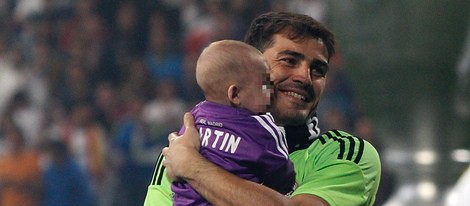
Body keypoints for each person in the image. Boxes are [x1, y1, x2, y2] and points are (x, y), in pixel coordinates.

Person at [145, 11, 381, 206]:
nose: (305, 77)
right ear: (251, 64)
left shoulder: (344, 153)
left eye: (318, 70)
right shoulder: (185, 143)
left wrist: (194, 169)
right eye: (289, 60)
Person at [172, 40, 295, 205]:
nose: (272, 90)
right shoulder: (260, 127)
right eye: (265, 84)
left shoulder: (194, 118)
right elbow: (282, 175)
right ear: (235, 94)